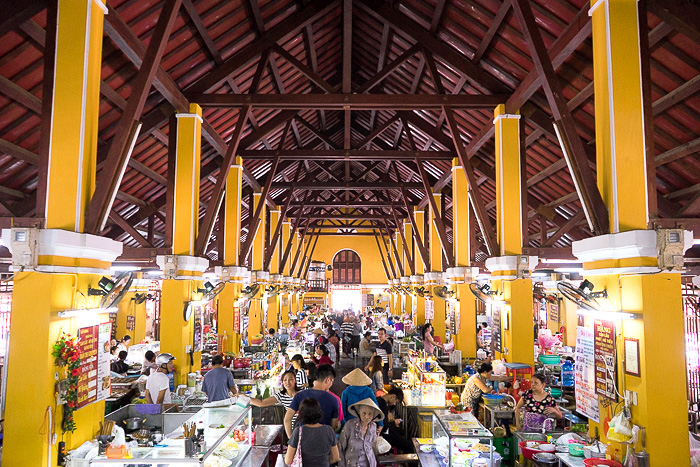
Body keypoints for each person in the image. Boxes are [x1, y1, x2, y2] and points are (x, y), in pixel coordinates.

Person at [285, 364, 340, 437]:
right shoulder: (333, 399)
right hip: (324, 442)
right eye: (332, 381)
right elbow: (333, 427)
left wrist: (291, 439)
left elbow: (287, 419)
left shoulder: (299, 395)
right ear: (328, 380)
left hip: (303, 441)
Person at [285, 398, 340, 467]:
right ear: (319, 412)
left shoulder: (298, 432)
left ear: (301, 414)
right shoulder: (329, 430)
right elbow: (336, 458)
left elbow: (288, 460)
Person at [338, 398, 383, 467]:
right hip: (351, 464)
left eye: (370, 414)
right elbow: (340, 447)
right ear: (359, 412)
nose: (366, 417)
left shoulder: (373, 426)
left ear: (373, 415)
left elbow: (373, 448)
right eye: (364, 413)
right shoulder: (350, 425)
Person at [376, 387, 413, 453]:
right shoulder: (382, 405)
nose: (394, 404)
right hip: (383, 434)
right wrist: (394, 422)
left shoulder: (381, 401)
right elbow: (384, 427)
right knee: (408, 446)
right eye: (395, 402)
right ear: (393, 396)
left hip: (384, 431)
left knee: (402, 432)